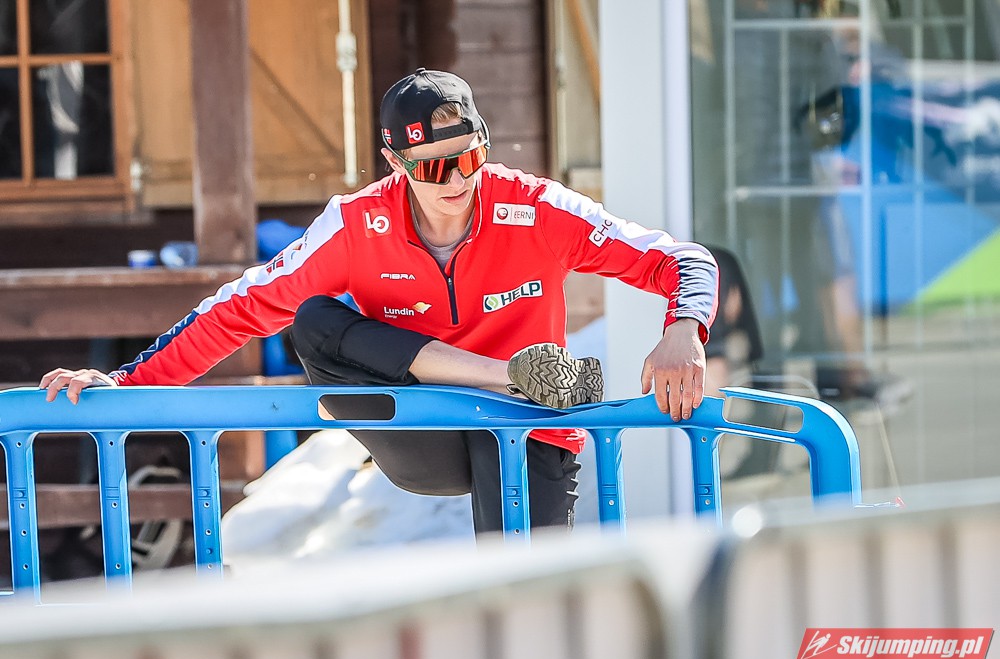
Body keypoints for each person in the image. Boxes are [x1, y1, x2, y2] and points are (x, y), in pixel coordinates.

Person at [39, 69, 719, 534]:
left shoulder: (534, 206)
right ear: (396, 163)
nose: (456, 181)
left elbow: (682, 259)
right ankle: (506, 375)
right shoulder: (356, 222)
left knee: (524, 607)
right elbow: (244, 305)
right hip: (421, 424)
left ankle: (515, 388)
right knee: (314, 320)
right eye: (434, 166)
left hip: (526, 427)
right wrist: (126, 383)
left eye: (469, 158)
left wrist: (683, 328)